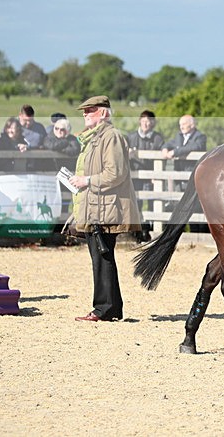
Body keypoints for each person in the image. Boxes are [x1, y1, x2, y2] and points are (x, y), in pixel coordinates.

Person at [66, 95, 141, 322]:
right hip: (96, 205)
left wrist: (86, 180)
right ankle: (110, 307)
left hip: (106, 207)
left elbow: (115, 173)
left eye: (90, 110)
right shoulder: (93, 139)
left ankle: (104, 308)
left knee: (102, 256)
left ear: (104, 113)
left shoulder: (112, 137)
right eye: (85, 111)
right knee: (102, 256)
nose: (85, 114)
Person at [127, 110, 164, 243]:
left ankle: (148, 231)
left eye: (149, 121)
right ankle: (136, 232)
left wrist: (156, 175)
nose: (146, 124)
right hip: (135, 175)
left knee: (151, 203)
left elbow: (161, 157)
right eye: (144, 121)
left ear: (153, 123)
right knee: (136, 202)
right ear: (140, 122)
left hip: (150, 177)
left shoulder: (158, 138)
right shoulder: (131, 137)